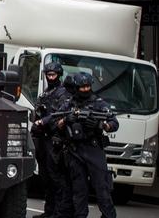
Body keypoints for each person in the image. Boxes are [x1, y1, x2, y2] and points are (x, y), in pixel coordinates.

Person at [56, 73, 119, 218]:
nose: (85, 89)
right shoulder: (69, 103)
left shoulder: (99, 103)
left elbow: (114, 123)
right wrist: (66, 119)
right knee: (79, 191)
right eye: (82, 87)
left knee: (102, 189)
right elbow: (55, 123)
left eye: (88, 86)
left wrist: (101, 124)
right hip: (75, 151)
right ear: (76, 88)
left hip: (94, 150)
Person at [31, 62, 73, 218]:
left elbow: (61, 114)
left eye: (53, 75)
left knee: (56, 178)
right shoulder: (46, 92)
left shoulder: (63, 93)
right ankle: (49, 211)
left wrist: (44, 121)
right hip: (43, 139)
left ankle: (58, 213)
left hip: (55, 140)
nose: (50, 78)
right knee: (46, 178)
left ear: (59, 75)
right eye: (48, 75)